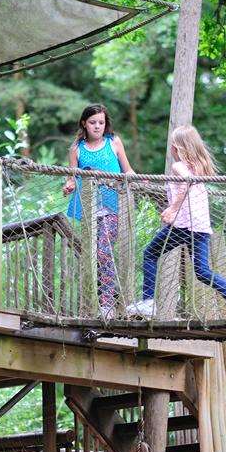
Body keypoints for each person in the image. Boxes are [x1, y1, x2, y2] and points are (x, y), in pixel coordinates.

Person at [125, 125, 226, 319]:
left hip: (183, 226)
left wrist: (173, 209)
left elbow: (186, 182)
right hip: (200, 227)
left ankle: (149, 302)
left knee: (150, 254)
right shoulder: (199, 167)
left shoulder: (179, 167)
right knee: (201, 271)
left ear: (176, 147)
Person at [62, 104, 135, 318]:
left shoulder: (114, 142)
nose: (97, 126)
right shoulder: (77, 148)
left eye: (101, 123)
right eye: (93, 122)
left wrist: (142, 180)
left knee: (104, 252)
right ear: (84, 123)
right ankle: (93, 302)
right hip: (88, 207)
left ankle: (107, 304)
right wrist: (69, 185)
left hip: (112, 205)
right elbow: (72, 176)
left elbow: (127, 170)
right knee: (92, 255)